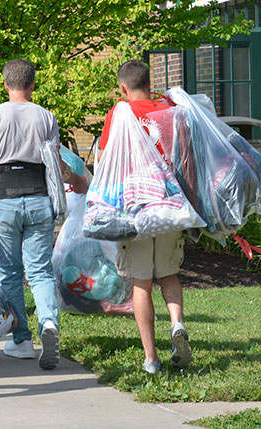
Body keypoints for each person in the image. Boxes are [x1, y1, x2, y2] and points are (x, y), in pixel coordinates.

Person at [0, 59, 87, 371]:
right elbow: (55, 165)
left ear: (5, 85)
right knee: (41, 272)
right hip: (39, 200)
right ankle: (49, 324)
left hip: (5, 201)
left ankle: (21, 338)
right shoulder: (46, 116)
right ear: (32, 85)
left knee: (9, 273)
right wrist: (78, 179)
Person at [96, 59, 191, 374]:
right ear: (149, 83)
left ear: (123, 88)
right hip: (169, 204)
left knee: (141, 280)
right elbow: (184, 155)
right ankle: (177, 324)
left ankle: (151, 359)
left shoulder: (119, 113)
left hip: (136, 207)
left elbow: (109, 158)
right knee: (168, 273)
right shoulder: (171, 111)